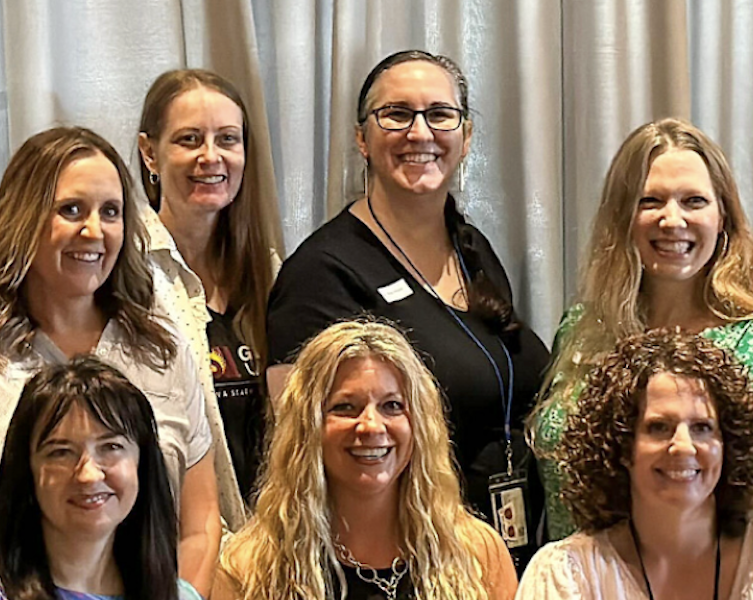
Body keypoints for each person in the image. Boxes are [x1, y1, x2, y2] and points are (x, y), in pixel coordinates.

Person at [0, 127, 221, 599]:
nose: (94, 231)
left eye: (111, 212)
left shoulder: (163, 353)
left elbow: (199, 525)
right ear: (24, 219)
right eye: (71, 210)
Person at [267, 50, 552, 561]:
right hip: (409, 562)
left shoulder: (473, 250)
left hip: (503, 550)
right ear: (362, 139)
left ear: (465, 139)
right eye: (396, 114)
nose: (419, 132)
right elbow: (303, 455)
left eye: (440, 114)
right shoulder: (321, 276)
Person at [531, 119, 753, 538]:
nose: (672, 220)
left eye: (693, 201)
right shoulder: (584, 333)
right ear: (621, 217)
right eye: (650, 201)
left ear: (722, 217)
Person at [519, 330, 753, 600]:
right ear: (621, 445)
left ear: (728, 444)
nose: (683, 447)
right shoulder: (565, 577)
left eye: (702, 428)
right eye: (659, 428)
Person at [215, 319, 518, 600]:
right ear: (307, 428)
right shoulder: (248, 570)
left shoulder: (478, 554)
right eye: (345, 407)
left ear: (421, 425)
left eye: (392, 405)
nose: (371, 426)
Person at [134, 68, 285, 513]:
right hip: (179, 544)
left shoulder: (270, 273)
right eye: (189, 140)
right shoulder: (127, 276)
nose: (210, 156)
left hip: (271, 544)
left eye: (227, 140)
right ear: (149, 154)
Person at [0, 358, 201, 600]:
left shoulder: (180, 596)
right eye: (61, 453)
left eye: (111, 447)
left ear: (142, 464)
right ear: (27, 470)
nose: (89, 475)